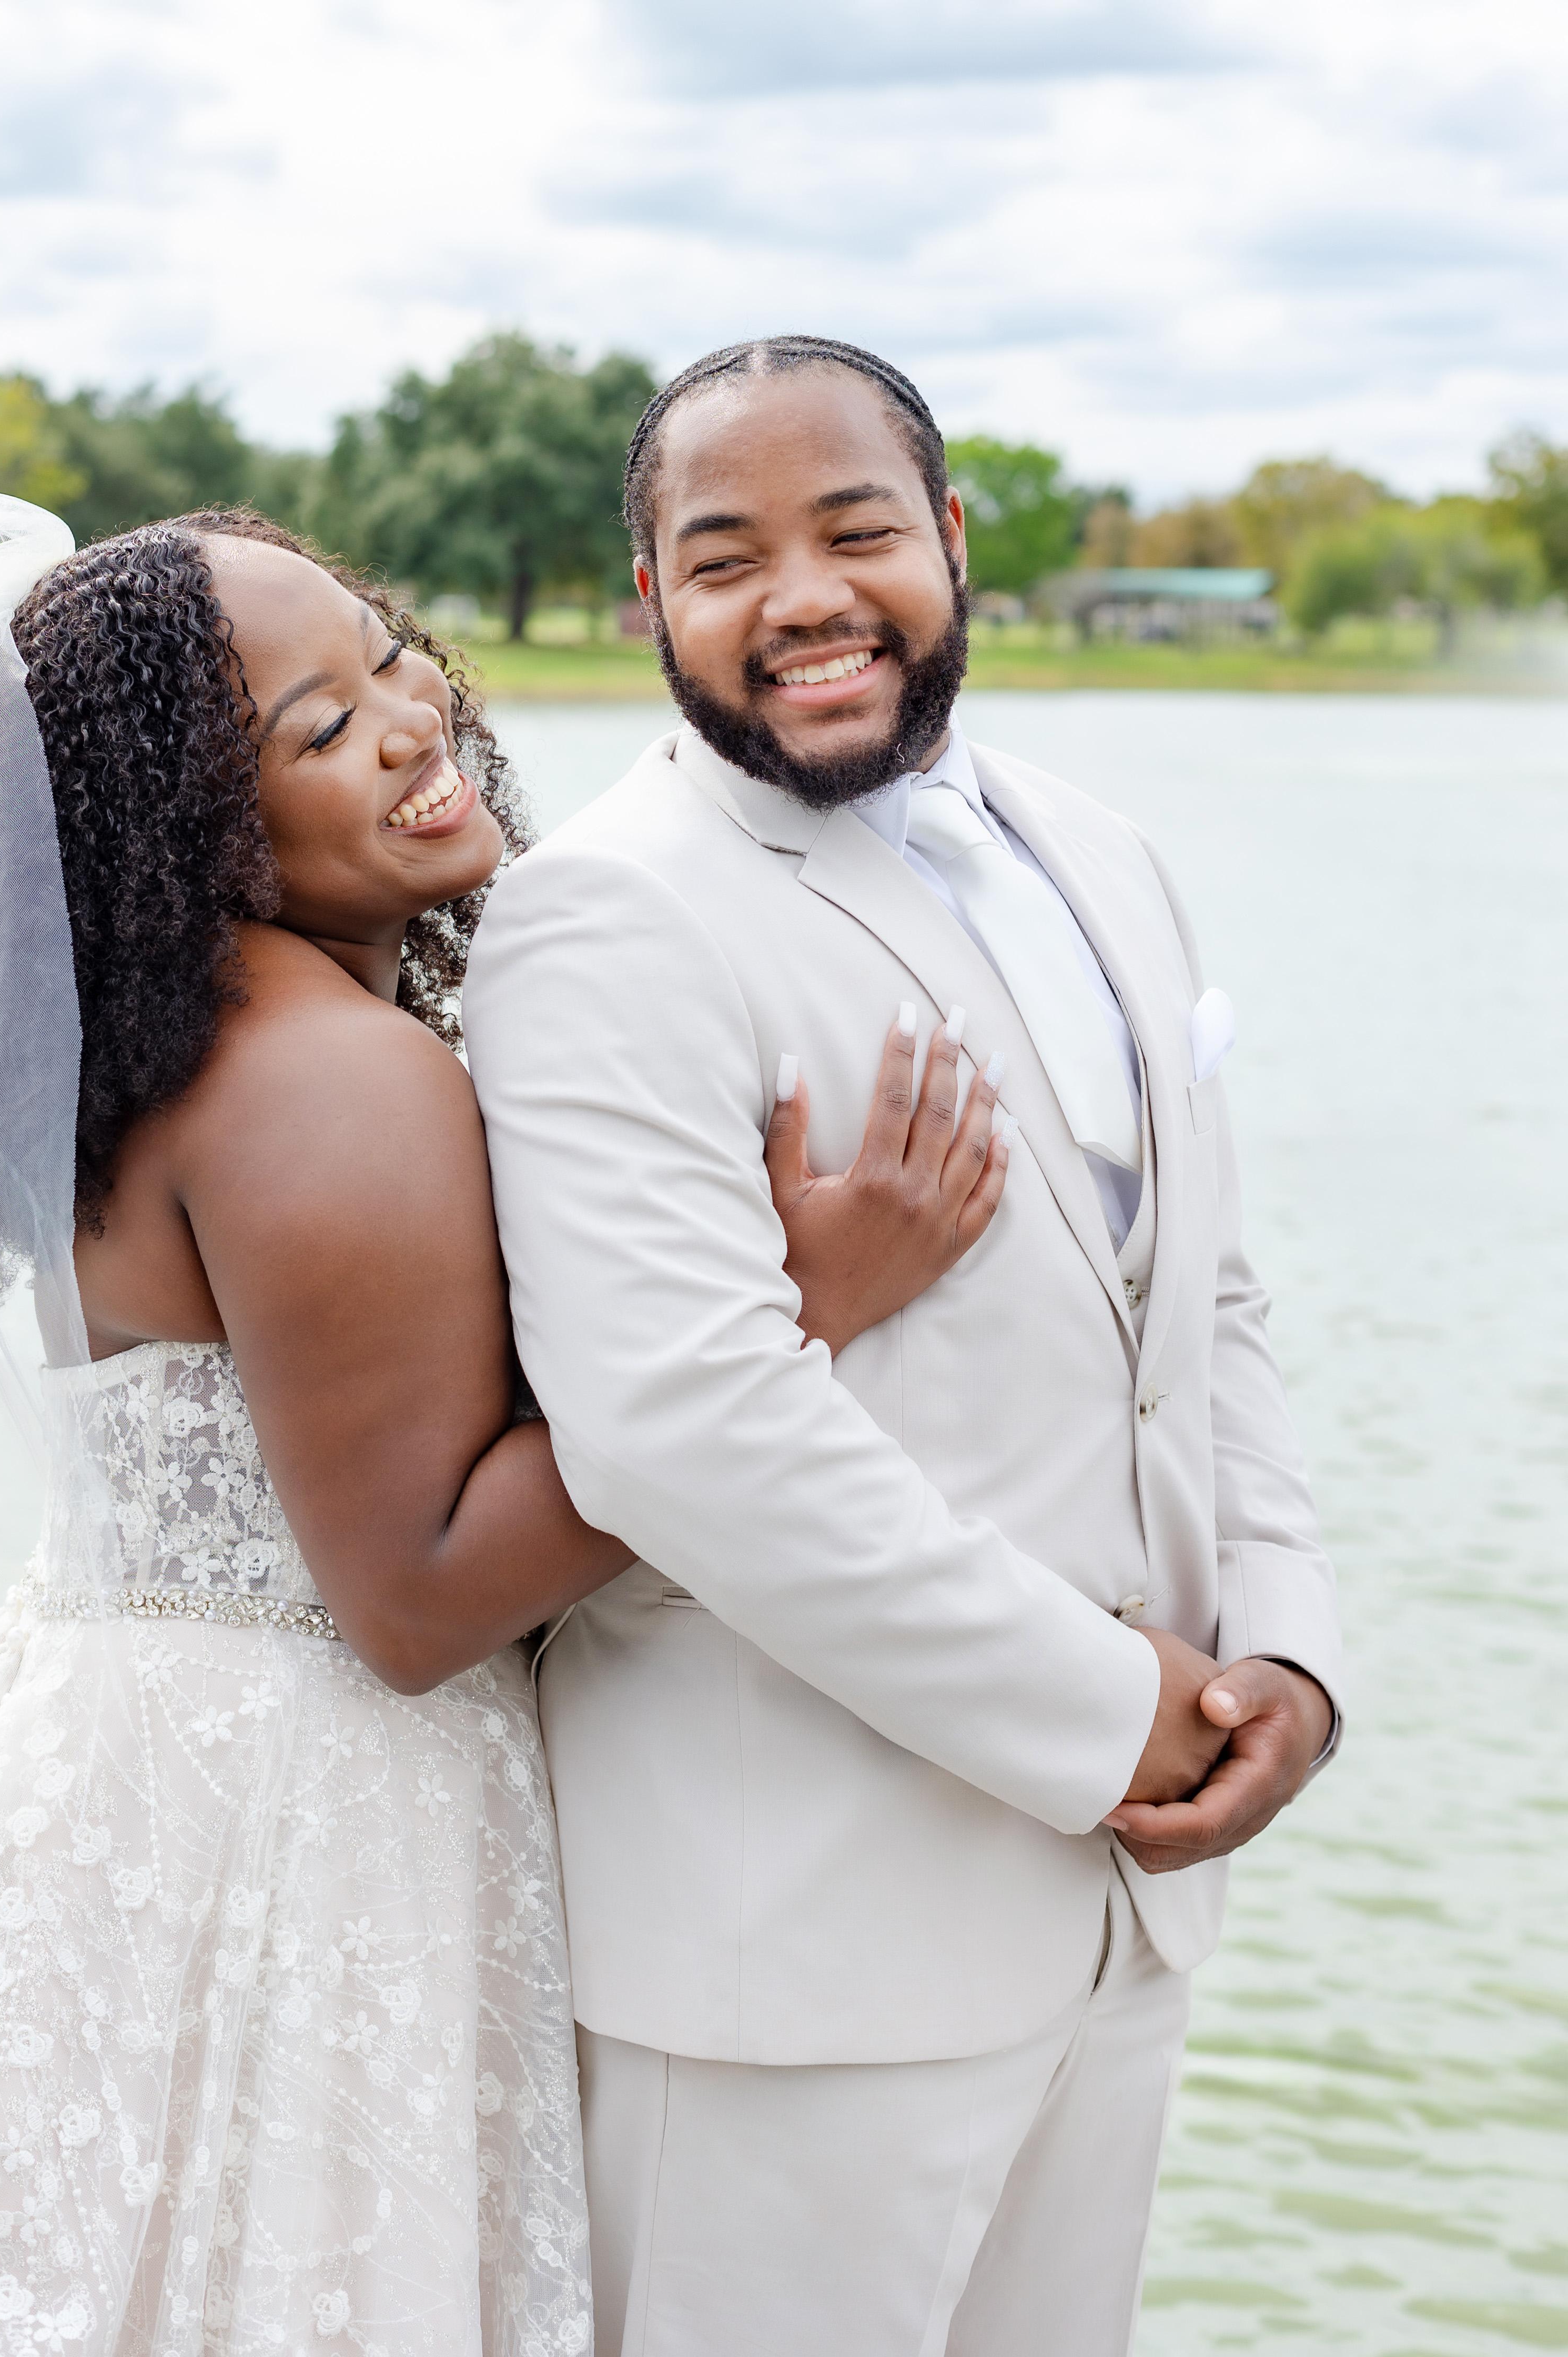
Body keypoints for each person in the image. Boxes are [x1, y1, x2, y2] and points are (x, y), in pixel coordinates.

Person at [0, 483, 1007, 2357]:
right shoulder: (331, 1081)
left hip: (129, 1782)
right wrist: (793, 1314)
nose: (410, 720)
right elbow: (417, 1597)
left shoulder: (160, 1055)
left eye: (387, 656)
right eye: (316, 729)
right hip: (298, 1829)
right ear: (191, 825)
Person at [460, 336, 1344, 2357]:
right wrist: (1109, 1712)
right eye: (725, 559)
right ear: (652, 605)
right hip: (794, 1969)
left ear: (950, 537)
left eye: (856, 531)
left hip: (1118, 1930)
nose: (803, 599)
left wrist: (1289, 1654)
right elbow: (683, 1430)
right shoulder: (604, 916)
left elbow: (1201, 1307)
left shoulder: (1102, 853)